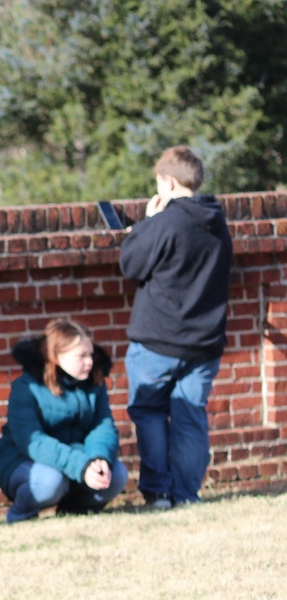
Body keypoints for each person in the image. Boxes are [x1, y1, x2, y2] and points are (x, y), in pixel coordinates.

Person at [120, 146, 232, 510]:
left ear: (167, 181)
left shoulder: (166, 222)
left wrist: (147, 225)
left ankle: (159, 493)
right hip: (205, 342)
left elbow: (131, 265)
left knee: (150, 411)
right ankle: (186, 494)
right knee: (190, 417)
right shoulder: (217, 220)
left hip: (158, 340)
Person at [0, 319, 129, 523]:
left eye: (90, 354)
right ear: (55, 357)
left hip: (76, 459)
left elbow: (102, 426)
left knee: (116, 476)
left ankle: (72, 512)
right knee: (50, 481)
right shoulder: (25, 387)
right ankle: (20, 514)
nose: (89, 361)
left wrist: (98, 459)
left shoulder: (95, 383)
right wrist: (81, 466)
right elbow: (33, 441)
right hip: (22, 461)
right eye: (81, 356)